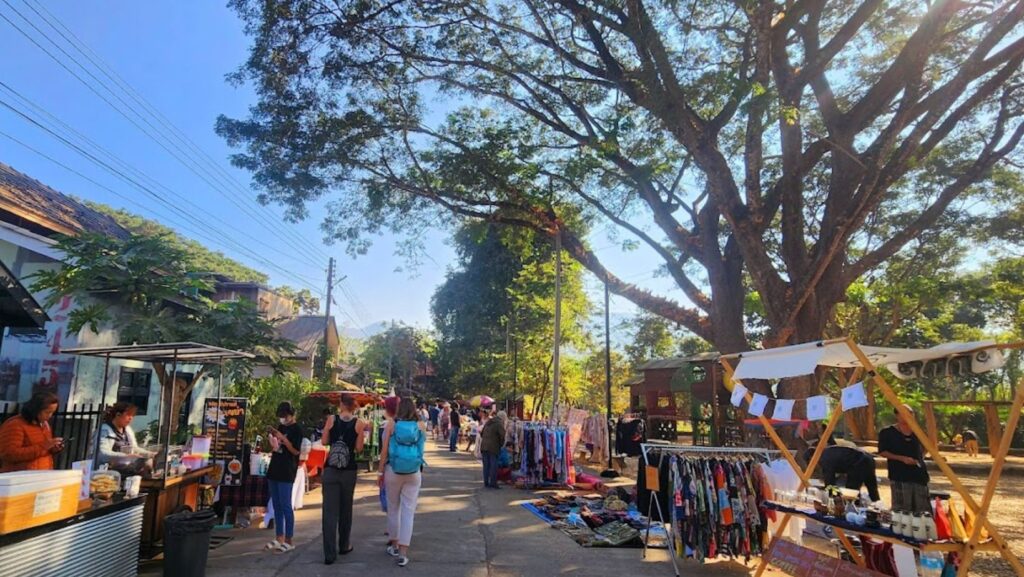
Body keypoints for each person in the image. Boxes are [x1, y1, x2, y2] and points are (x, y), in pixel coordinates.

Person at [379, 398, 426, 568]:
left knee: (393, 508)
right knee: (408, 511)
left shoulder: (391, 424)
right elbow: (421, 449)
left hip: (393, 469)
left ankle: (394, 545)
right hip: (413, 471)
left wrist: (379, 471)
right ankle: (403, 552)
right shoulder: (420, 426)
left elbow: (384, 450)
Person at [320, 396, 366, 565]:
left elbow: (324, 441)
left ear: (341, 405)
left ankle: (329, 554)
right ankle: (344, 545)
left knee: (329, 512)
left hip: (331, 469)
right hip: (349, 471)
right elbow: (359, 448)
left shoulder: (331, 419)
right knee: (346, 509)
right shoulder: (359, 423)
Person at [262, 402, 304, 553]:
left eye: (284, 416)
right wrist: (274, 440)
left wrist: (284, 439)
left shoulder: (297, 430)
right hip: (275, 468)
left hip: (287, 470)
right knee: (277, 505)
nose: (282, 419)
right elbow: (278, 447)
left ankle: (289, 539)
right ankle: (279, 536)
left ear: (291, 414)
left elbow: (295, 451)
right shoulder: (281, 427)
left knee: (286, 505)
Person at [878, 406, 930, 513]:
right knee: (901, 509)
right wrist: (902, 458)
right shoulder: (887, 432)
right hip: (899, 475)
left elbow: (928, 447)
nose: (909, 416)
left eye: (911, 413)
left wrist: (920, 458)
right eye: (905, 413)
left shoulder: (919, 432)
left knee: (921, 509)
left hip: (918, 475)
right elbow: (883, 451)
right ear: (897, 416)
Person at [0, 392, 63, 473]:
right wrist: (43, 446)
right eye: (47, 412)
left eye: (52, 412)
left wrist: (53, 448)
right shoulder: (15, 424)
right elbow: (8, 454)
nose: (50, 416)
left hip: (42, 475)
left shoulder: (44, 424)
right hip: (20, 478)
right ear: (36, 409)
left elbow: (43, 449)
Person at [803, 443, 880, 502]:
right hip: (867, 458)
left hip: (858, 463)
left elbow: (830, 483)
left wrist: (831, 498)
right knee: (872, 487)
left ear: (812, 457)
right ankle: (877, 506)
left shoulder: (823, 459)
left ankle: (854, 511)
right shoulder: (826, 452)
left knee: (851, 492)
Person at [98, 402, 153, 473]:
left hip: (125, 469)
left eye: (132, 416)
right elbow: (103, 454)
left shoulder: (127, 430)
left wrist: (149, 454)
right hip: (107, 471)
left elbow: (134, 448)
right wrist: (126, 456)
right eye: (128, 415)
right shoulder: (105, 430)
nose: (131, 418)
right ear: (118, 415)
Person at [480, 407, 506, 489]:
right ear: (503, 418)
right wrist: (501, 444)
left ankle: (486, 482)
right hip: (493, 447)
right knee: (493, 465)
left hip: (484, 446)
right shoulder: (499, 423)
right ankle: (493, 483)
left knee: (486, 465)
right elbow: (502, 436)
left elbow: (482, 433)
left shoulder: (489, 422)